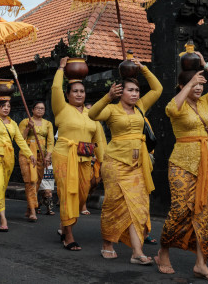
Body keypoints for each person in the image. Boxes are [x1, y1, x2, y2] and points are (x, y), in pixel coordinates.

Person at [156, 52, 208, 281]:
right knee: (179, 211)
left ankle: (200, 263)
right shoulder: (177, 103)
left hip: (205, 165)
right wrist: (189, 84)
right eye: (195, 84)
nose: (199, 89)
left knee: (205, 212)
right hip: (181, 163)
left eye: (200, 85)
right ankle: (163, 250)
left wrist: (206, 64)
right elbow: (171, 110)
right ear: (183, 85)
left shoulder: (205, 102)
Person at [90, 56, 162, 264]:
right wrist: (107, 96)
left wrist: (144, 69)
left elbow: (157, 90)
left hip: (137, 165)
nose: (135, 94)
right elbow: (92, 114)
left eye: (137, 91)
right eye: (130, 90)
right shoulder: (111, 109)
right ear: (121, 92)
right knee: (113, 206)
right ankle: (107, 244)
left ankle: (137, 252)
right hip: (115, 164)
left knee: (137, 207)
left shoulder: (140, 106)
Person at [51, 57, 107, 251]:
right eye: (74, 91)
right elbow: (56, 90)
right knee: (68, 194)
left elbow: (98, 140)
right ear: (67, 95)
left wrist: (104, 161)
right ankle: (68, 235)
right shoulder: (61, 108)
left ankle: (64, 225)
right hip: (64, 156)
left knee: (82, 194)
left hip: (85, 159)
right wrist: (60, 68)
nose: (79, 94)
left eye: (82, 91)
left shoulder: (91, 113)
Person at [0, 77, 35, 232]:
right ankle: (3, 219)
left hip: (8, 157)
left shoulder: (13, 124)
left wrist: (29, 154)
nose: (6, 108)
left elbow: (20, 141)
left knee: (1, 187)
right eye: (3, 106)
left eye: (8, 106)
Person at [18, 101, 54, 222]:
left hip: (41, 155)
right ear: (32, 110)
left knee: (37, 182)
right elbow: (20, 138)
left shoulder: (48, 124)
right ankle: (33, 210)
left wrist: (48, 155)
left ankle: (29, 208)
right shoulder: (25, 121)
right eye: (37, 108)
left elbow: (50, 141)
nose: (40, 110)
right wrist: (28, 127)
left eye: (42, 108)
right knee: (30, 181)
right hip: (27, 154)